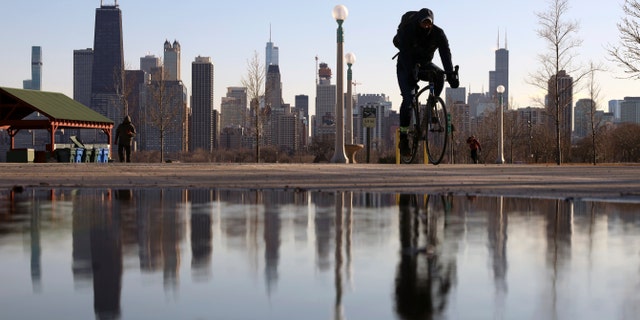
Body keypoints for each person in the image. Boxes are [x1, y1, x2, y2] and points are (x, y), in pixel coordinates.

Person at [393, 8, 459, 156]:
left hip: (425, 64)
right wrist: (411, 72)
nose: (427, 26)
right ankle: (404, 138)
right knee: (408, 99)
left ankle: (431, 103)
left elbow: (445, 54)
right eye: (424, 23)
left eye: (429, 23)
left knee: (440, 75)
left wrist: (451, 75)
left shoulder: (438, 33)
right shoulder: (408, 30)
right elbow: (404, 54)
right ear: (418, 21)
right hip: (405, 65)